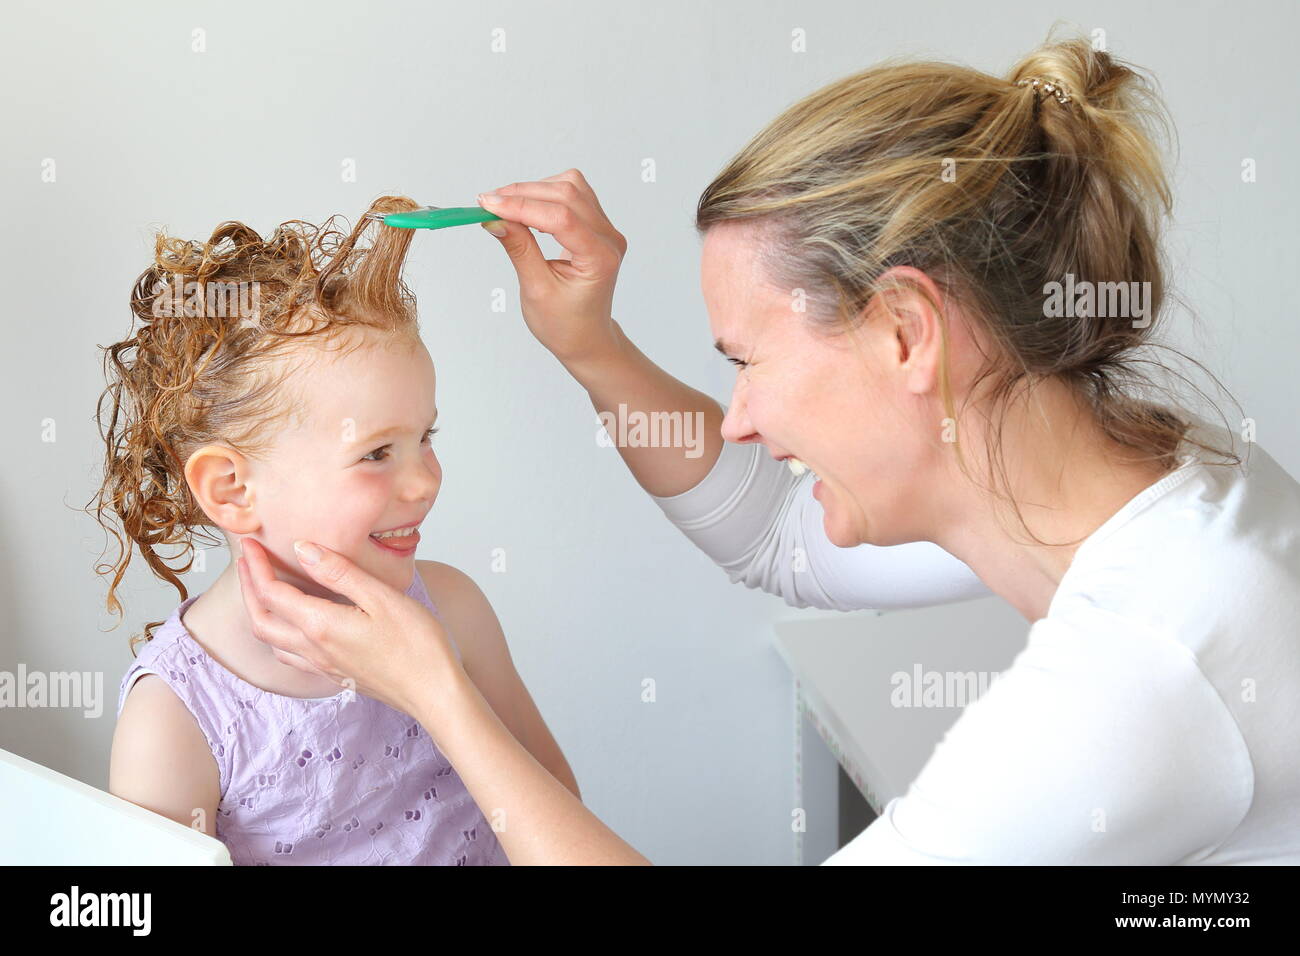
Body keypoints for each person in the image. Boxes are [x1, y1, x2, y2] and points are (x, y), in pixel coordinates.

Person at [236, 34, 1300, 864]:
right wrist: (590, 344)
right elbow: (779, 539)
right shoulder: (1165, 479)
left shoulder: (1142, 675)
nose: (738, 416)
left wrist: (438, 696)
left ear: (903, 332)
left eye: (749, 361)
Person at [101, 197, 577, 865]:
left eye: (425, 437)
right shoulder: (178, 721)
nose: (426, 482)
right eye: (378, 453)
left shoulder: (455, 612)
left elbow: (558, 810)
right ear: (232, 489)